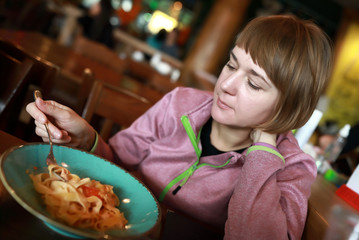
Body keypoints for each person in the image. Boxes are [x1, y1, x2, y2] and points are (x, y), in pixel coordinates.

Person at [26, 15, 333, 239]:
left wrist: (265, 148)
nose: (226, 85)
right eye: (230, 65)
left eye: (253, 83)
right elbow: (116, 163)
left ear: (288, 107)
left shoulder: (293, 168)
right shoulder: (180, 104)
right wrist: (86, 138)